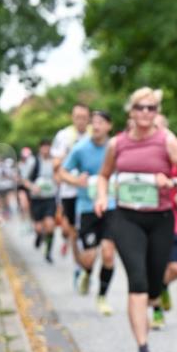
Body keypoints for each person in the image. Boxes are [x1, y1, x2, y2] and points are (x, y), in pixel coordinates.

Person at [94, 88, 177, 352]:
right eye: (140, 107)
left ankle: (156, 296)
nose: (146, 113)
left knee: (153, 282)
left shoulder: (167, 140)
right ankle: (143, 349)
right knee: (136, 280)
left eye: (151, 108)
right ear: (131, 111)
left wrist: (172, 184)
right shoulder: (118, 144)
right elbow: (104, 175)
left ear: (156, 111)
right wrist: (102, 196)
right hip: (127, 219)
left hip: (161, 218)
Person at [59, 110, 118, 316]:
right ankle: (86, 271)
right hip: (87, 207)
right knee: (89, 257)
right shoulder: (81, 148)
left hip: (111, 206)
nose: (97, 126)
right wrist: (76, 181)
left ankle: (102, 296)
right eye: (94, 122)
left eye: (101, 122)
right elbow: (62, 172)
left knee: (109, 253)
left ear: (109, 126)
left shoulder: (115, 147)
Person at [153, 113, 177, 329]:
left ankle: (163, 286)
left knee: (175, 268)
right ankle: (156, 311)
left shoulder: (174, 152)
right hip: (146, 219)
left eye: (159, 127)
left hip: (172, 219)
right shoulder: (139, 153)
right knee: (153, 268)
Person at [51, 103, 92, 261]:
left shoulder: (93, 134)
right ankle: (78, 263)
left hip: (89, 191)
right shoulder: (64, 135)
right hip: (69, 190)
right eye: (77, 117)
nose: (81, 121)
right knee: (71, 230)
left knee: (84, 228)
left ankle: (86, 260)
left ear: (88, 118)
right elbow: (56, 164)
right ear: (72, 118)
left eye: (84, 118)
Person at [23, 139, 59, 263]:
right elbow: (24, 179)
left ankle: (48, 251)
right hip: (37, 199)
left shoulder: (55, 161)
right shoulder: (33, 162)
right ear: (40, 148)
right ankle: (39, 235)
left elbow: (60, 175)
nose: (46, 150)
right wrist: (33, 187)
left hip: (50, 198)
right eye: (43, 147)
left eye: (48, 147)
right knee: (39, 227)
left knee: (50, 225)